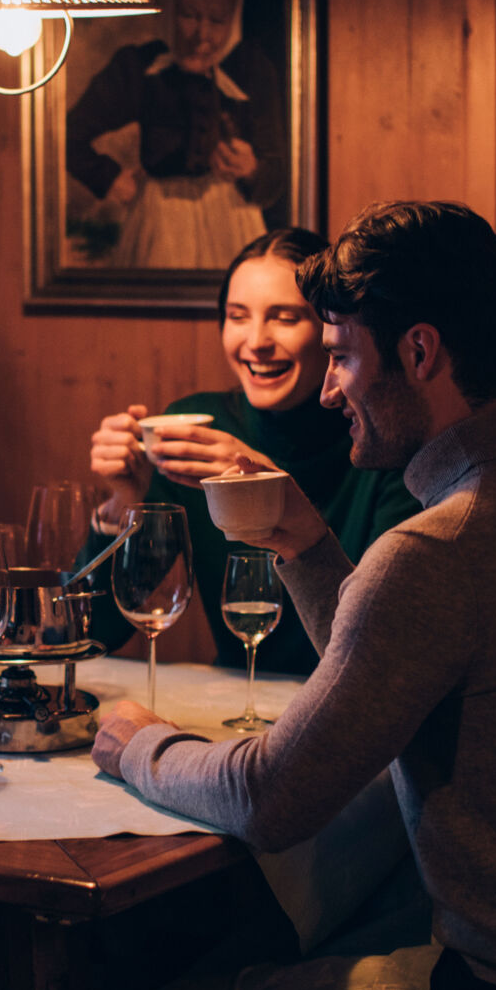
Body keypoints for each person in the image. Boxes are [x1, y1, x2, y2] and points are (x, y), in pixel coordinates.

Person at [93, 201, 496, 990]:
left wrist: (139, 746)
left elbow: (269, 800)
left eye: (342, 356)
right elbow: (394, 659)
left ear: (418, 353)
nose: (329, 390)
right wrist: (307, 543)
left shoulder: (436, 549)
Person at [85, 228, 421, 676]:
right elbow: (93, 633)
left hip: (342, 703)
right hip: (231, 701)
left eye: (285, 318)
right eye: (238, 316)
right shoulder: (192, 432)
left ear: (331, 329)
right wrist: (124, 505)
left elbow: (378, 651)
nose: (256, 341)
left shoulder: (383, 441)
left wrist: (271, 493)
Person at [64, 0, 286, 268]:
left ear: (234, 20)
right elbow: (66, 134)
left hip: (233, 224)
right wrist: (109, 177)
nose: (202, 35)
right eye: (189, 15)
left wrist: (252, 169)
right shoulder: (137, 67)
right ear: (170, 12)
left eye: (217, 21)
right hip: (159, 223)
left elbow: (277, 173)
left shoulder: (253, 71)